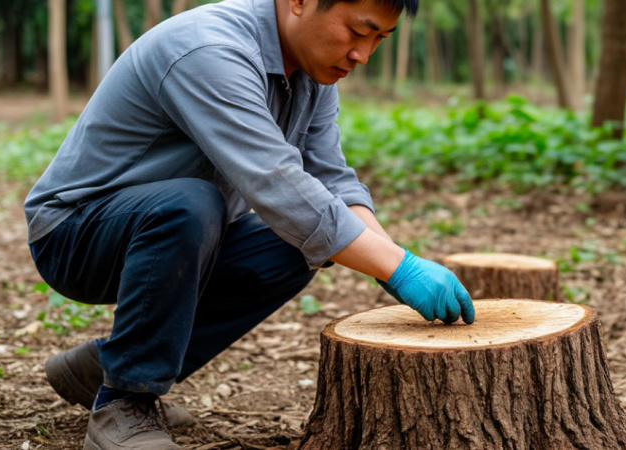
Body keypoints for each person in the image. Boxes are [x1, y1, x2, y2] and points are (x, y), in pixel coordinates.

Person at [24, 0, 474, 448]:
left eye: (379, 39)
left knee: (296, 246)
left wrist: (390, 259)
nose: (364, 55)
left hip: (183, 233)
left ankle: (102, 366)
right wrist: (401, 268)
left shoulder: (312, 74)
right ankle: (123, 402)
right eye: (358, 32)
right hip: (75, 233)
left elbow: (331, 180)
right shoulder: (208, 49)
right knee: (191, 203)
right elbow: (274, 181)